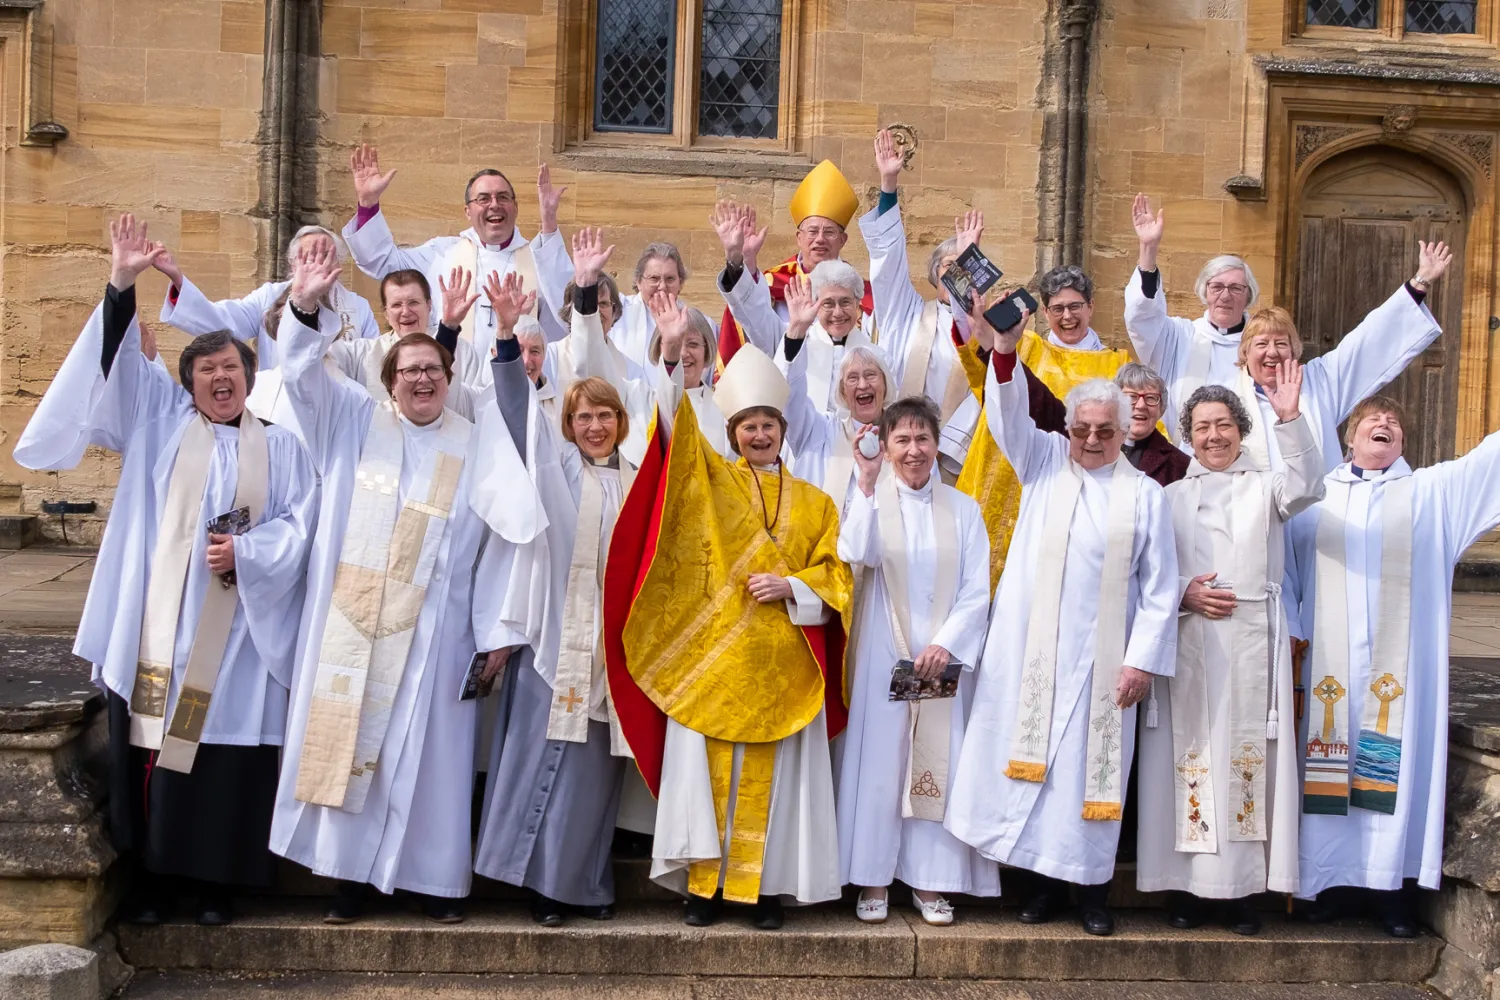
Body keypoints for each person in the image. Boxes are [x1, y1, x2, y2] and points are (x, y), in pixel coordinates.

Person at [13, 214, 318, 926]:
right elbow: (114, 372)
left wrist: (248, 554)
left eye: (232, 370)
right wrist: (121, 282)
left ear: (250, 378)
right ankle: (156, 884)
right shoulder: (159, 426)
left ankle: (216, 887)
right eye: (207, 370)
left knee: (222, 758)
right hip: (158, 626)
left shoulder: (284, 449)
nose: (221, 379)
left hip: (237, 632)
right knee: (155, 751)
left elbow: (301, 525)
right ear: (186, 383)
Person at [268, 242, 495, 925]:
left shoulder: (475, 440)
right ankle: (348, 881)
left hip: (436, 632)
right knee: (350, 739)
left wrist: (496, 630)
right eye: (409, 370)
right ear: (388, 376)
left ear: (449, 377)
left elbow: (506, 542)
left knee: (431, 762)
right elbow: (301, 375)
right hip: (355, 625)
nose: (422, 380)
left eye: (433, 370)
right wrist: (305, 305)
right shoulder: (353, 421)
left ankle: (432, 884)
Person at [945, 301, 1178, 937]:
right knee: (1034, 776)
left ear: (1123, 428)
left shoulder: (1145, 495)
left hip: (1105, 665)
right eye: (1083, 428)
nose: (1093, 440)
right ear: (1069, 427)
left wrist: (1141, 662)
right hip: (1032, 656)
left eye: (1105, 430)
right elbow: (1008, 414)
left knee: (1089, 776)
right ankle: (1039, 887)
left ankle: (1092, 895)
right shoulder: (1043, 462)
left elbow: (1161, 589)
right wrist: (1003, 351)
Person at [603, 343, 852, 930]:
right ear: (734, 433)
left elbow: (837, 573)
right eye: (747, 426)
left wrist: (795, 586)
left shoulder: (818, 504)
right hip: (713, 663)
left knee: (775, 784)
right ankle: (703, 889)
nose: (758, 434)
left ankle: (762, 891)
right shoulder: (710, 485)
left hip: (782, 667)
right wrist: (674, 363)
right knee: (707, 782)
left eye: (768, 424)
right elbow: (676, 440)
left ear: (783, 431)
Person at [1288, 396, 1500, 937]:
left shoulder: (1432, 493)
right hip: (1328, 673)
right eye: (1371, 422)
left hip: (1399, 675)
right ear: (1349, 439)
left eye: (1394, 423)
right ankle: (1330, 884)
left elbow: (1491, 459)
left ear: (1403, 442)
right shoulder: (1316, 494)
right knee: (1327, 765)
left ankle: (1392, 890)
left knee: (1393, 766)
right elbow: (1282, 568)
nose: (1384, 426)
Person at [470, 247, 636, 926]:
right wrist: (507, 339)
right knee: (542, 758)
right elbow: (514, 414)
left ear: (620, 422)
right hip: (555, 635)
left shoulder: (637, 481)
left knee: (592, 780)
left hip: (613, 649)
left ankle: (581, 886)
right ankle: (533, 886)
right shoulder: (556, 466)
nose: (594, 426)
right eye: (583, 418)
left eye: (605, 416)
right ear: (569, 426)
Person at [1136, 378, 1324, 935]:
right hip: (1191, 638)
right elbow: (1150, 574)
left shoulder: (1267, 487)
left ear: (1241, 428)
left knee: (1242, 762)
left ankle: (1241, 892)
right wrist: (1182, 595)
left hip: (1249, 643)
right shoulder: (1168, 495)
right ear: (1187, 437)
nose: (1213, 436)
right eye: (1201, 427)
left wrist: (1290, 417)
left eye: (1223, 424)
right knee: (1189, 757)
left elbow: (1308, 486)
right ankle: (1189, 890)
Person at [836, 396, 999, 925]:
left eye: (922, 439)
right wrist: (864, 482)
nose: (913, 450)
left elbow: (979, 589)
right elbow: (855, 552)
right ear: (884, 445)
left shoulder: (965, 509)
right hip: (886, 655)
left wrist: (947, 644)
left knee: (936, 767)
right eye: (901, 440)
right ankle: (875, 878)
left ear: (936, 446)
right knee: (883, 769)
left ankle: (931, 882)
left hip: (939, 662)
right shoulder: (871, 498)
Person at [954, 284, 1132, 593]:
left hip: (1072, 482)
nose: (1067, 316)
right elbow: (983, 360)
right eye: (1058, 308)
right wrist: (982, 320)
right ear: (1045, 312)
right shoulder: (1026, 345)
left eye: (1075, 306)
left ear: (1091, 307)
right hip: (1003, 467)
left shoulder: (1117, 363)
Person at [1220, 242, 1448, 477]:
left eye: (1281, 343)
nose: (1272, 352)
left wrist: (1420, 281)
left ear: (1294, 350)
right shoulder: (1226, 397)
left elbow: (1367, 342)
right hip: (1256, 511)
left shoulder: (1319, 382)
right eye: (1261, 344)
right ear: (1245, 352)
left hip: (1318, 510)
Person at [341, 144, 574, 342]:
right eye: (483, 199)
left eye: (503, 197)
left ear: (515, 208)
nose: (494, 204)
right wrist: (368, 205)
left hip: (521, 383)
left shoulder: (538, 259)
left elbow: (567, 312)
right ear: (468, 212)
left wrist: (549, 224)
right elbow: (381, 261)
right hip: (457, 382)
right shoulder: (442, 253)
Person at [859, 131, 983, 471]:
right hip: (898, 452)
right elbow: (888, 263)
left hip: (955, 459)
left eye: (966, 266)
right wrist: (888, 184)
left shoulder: (984, 331)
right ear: (933, 274)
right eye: (949, 266)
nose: (956, 273)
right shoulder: (907, 315)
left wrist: (947, 445)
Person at [713, 158, 874, 371]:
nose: (820, 239)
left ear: (843, 240)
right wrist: (740, 259)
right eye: (812, 231)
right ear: (799, 237)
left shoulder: (863, 294)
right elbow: (755, 319)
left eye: (829, 232)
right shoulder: (773, 285)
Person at [1124, 194, 1260, 441]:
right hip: (1186, 459)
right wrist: (1148, 249)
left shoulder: (1261, 345)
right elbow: (1142, 316)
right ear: (1204, 291)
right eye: (1216, 287)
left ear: (1248, 295)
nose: (1225, 296)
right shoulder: (1179, 336)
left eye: (1235, 288)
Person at [154, 225, 380, 370]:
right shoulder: (271, 296)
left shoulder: (358, 307)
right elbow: (223, 321)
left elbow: (372, 361)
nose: (316, 262)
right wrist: (178, 281)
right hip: (281, 410)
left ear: (338, 262)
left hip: (340, 413)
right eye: (307, 256)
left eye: (325, 255)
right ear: (292, 263)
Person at [779, 275, 893, 513]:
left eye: (871, 375)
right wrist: (797, 329)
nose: (862, 385)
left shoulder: (902, 439)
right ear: (842, 391)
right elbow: (790, 395)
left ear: (886, 384)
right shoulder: (817, 431)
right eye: (852, 378)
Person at [328, 268, 490, 397]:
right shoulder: (363, 353)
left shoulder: (462, 351)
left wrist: (449, 328)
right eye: (397, 305)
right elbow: (317, 360)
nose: (405, 312)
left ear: (429, 305)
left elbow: (475, 405)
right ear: (385, 313)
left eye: (413, 302)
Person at [1026, 362, 1190, 488]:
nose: (1141, 405)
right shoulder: (1079, 437)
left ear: (1161, 409)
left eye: (1151, 398)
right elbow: (1037, 397)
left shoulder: (1180, 465)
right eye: (1131, 396)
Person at [612, 242, 691, 372]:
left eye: (670, 279)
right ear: (639, 281)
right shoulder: (617, 311)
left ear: (680, 283)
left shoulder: (696, 322)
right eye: (654, 278)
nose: (662, 286)